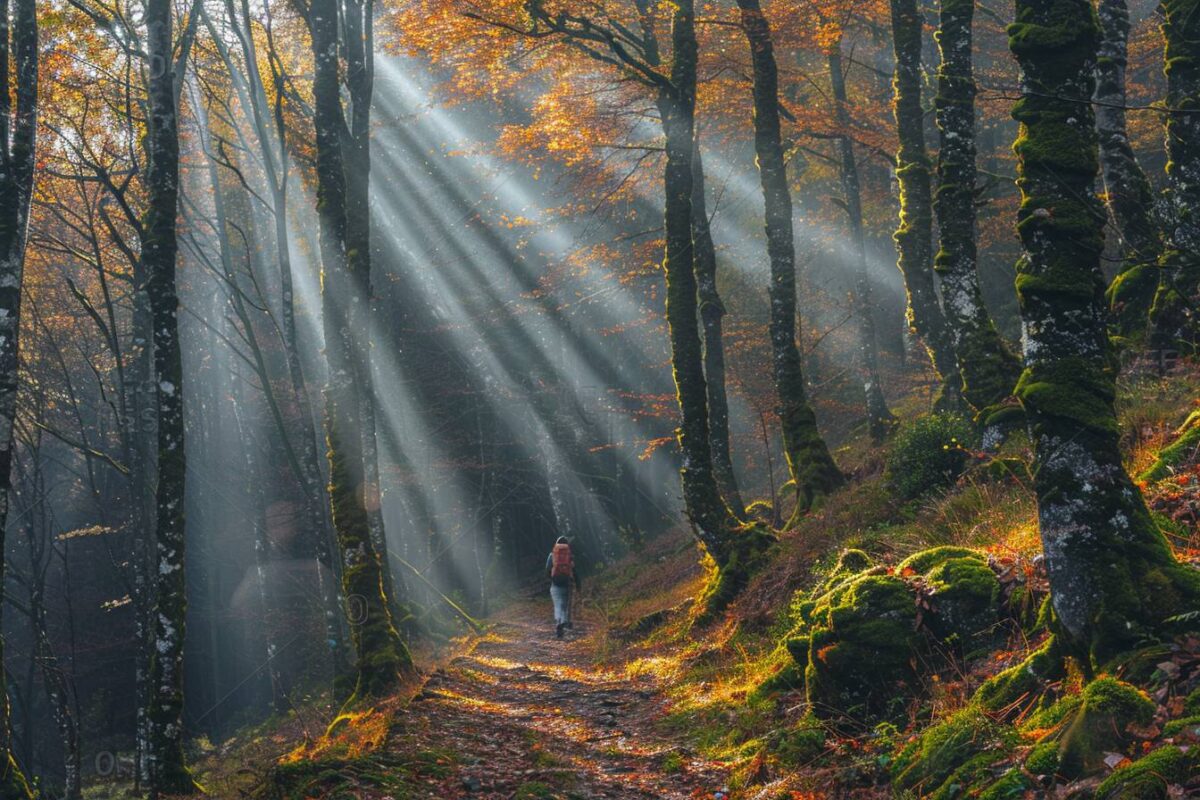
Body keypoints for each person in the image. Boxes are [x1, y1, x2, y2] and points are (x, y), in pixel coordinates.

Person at [546, 536, 581, 639]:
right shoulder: (569, 556)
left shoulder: (552, 555)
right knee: (565, 606)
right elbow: (575, 572)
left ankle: (559, 622)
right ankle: (564, 622)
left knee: (558, 605)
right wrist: (578, 585)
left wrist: (551, 578)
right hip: (567, 583)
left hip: (555, 584)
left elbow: (547, 570)